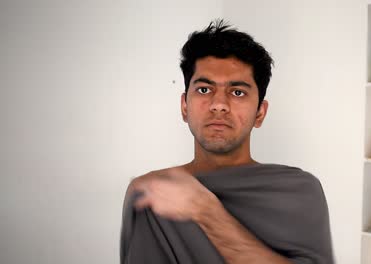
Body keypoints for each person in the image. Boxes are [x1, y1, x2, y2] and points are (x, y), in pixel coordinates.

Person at [120, 19, 334, 264]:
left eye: (237, 92)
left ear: (260, 113)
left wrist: (206, 212)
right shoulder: (151, 192)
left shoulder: (300, 192)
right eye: (203, 89)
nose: (219, 104)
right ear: (184, 107)